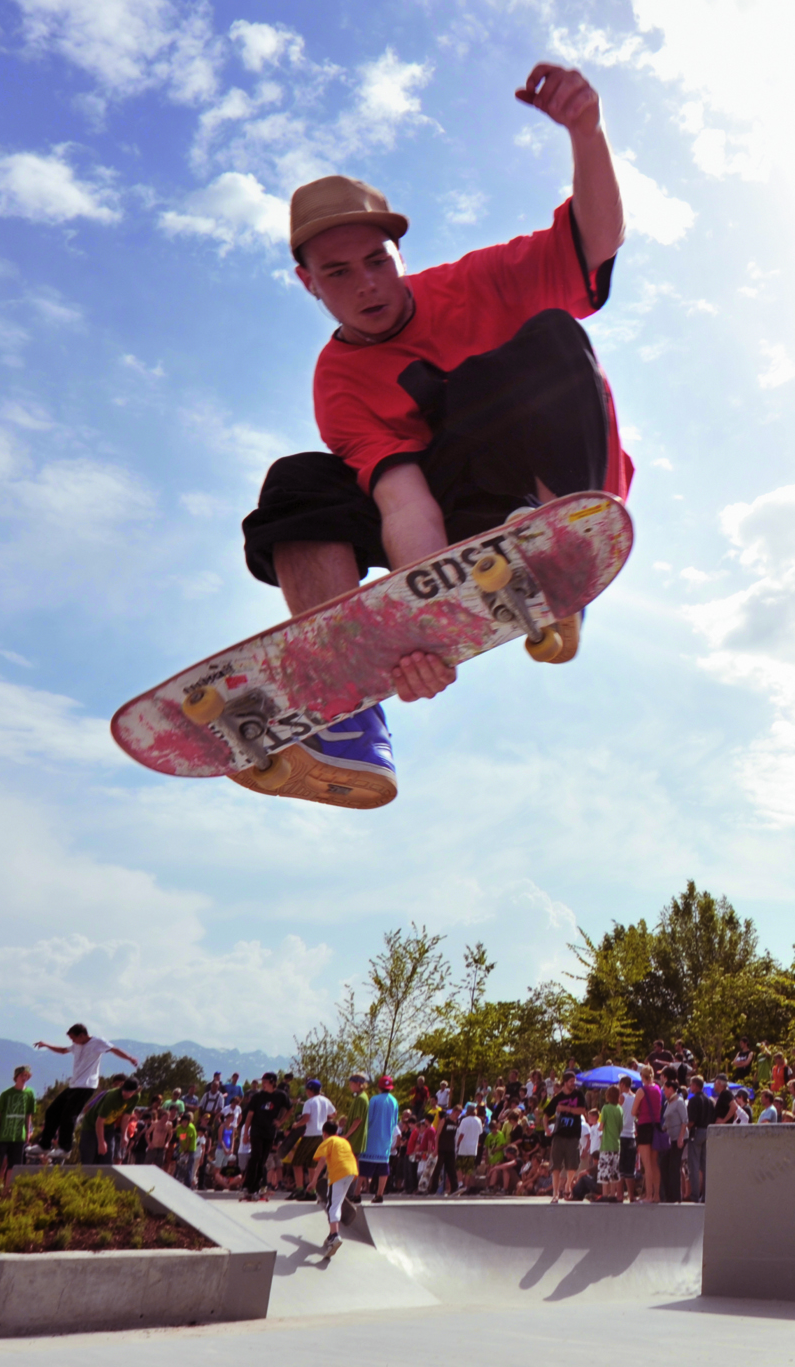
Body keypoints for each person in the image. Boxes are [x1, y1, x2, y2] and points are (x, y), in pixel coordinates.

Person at [226, 63, 630, 808]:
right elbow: (403, 499)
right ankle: (347, 708)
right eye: (339, 274)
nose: (368, 287)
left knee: (542, 335)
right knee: (297, 484)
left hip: (548, 482)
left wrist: (586, 132)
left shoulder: (479, 282)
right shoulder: (340, 379)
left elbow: (593, 243)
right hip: (450, 529)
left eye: (378, 263)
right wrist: (422, 623)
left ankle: (555, 553)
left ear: (399, 254)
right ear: (307, 282)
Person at [32, 1025, 137, 1157]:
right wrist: (46, 1044)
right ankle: (44, 1145)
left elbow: (114, 1049)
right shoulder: (77, 1045)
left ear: (82, 1035)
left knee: (68, 1115)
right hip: (74, 1086)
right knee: (52, 1111)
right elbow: (63, 1050)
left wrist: (130, 1058)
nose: (72, 1042)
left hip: (86, 1086)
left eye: (73, 1038)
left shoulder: (97, 1042)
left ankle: (65, 1148)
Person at [0, 1066, 39, 1191]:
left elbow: (28, 1115)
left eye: (27, 1075)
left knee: (14, 1164)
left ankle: (7, 1188)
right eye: (22, 1075)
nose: (24, 1078)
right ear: (16, 1076)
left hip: (18, 1135)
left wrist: (28, 1131)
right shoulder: (6, 1094)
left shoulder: (30, 1093)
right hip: (3, 1135)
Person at [315, 1124, 360, 1259]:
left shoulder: (328, 1141)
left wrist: (313, 1180)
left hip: (338, 1174)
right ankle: (331, 1234)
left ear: (324, 1133)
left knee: (332, 1205)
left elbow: (322, 1161)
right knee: (337, 1203)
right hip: (351, 1172)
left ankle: (335, 1236)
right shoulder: (344, 1141)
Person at [75, 1076, 140, 1165]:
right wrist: (101, 1142)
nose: (126, 1094)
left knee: (108, 1157)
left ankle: (105, 1177)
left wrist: (124, 1135)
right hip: (91, 1126)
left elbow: (126, 1117)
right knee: (88, 1158)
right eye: (124, 1090)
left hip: (109, 1127)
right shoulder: (112, 1096)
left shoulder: (136, 1097)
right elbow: (99, 1121)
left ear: (135, 1091)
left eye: (129, 1092)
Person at [241, 1074, 286, 1201]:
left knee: (263, 1160)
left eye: (265, 1082)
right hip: (256, 1131)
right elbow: (250, 1115)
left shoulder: (280, 1096)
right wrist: (246, 1133)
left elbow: (290, 1108)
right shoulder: (258, 1096)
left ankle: (258, 1186)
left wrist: (281, 1121)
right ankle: (248, 1185)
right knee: (256, 1156)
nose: (263, 1084)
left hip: (270, 1133)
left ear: (272, 1082)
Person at [292, 1079, 336, 1196]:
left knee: (297, 1162)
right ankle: (312, 1190)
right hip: (322, 1135)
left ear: (310, 1090)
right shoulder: (326, 1101)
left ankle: (300, 1189)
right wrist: (323, 1117)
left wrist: (297, 1125)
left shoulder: (309, 1102)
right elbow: (334, 1114)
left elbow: (306, 1118)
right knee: (312, 1164)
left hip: (311, 1134)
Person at [360, 1073, 399, 1201]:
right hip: (386, 1138)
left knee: (364, 1167)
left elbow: (368, 1118)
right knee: (383, 1168)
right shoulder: (394, 1101)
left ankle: (356, 1193)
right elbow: (394, 1121)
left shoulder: (374, 1099)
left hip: (372, 1138)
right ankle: (380, 1194)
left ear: (379, 1086)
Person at [547, 1079, 583, 1204]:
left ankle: (568, 1185)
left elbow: (582, 1110)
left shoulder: (579, 1095)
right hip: (558, 1135)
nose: (573, 1084)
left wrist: (566, 1108)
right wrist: (546, 1127)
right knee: (555, 1165)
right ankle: (555, 1193)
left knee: (573, 1165)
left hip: (573, 1135)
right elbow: (546, 1113)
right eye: (571, 1081)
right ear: (565, 1083)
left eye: (574, 1082)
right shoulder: (558, 1097)